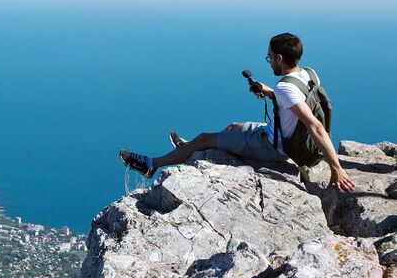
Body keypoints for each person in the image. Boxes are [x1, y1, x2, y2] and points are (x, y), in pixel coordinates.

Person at [119, 33, 355, 192]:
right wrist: (269, 92)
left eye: (270, 57)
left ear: (280, 58)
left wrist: (336, 168)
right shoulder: (308, 74)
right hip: (280, 135)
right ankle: (188, 149)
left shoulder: (285, 88)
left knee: (204, 139)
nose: (269, 61)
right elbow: (297, 102)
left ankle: (153, 163)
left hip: (274, 146)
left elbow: (315, 126)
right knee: (233, 126)